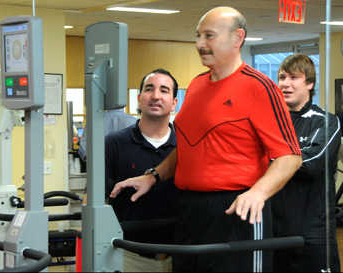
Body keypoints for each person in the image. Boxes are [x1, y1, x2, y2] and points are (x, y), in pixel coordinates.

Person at [110, 6, 303, 272]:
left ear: (237, 38)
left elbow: (290, 156)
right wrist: (152, 176)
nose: (200, 44)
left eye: (209, 36)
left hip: (236, 209)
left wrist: (258, 192)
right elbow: (190, 146)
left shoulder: (259, 87)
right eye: (198, 36)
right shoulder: (198, 84)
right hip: (190, 208)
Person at [85, 68, 179, 272]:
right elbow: (91, 200)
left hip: (180, 257)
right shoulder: (113, 144)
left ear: (174, 102)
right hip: (128, 255)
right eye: (149, 89)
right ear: (138, 99)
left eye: (164, 90)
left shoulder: (186, 145)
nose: (156, 96)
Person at [271, 53, 341, 272]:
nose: (285, 84)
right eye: (282, 77)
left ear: (310, 83)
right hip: (271, 235)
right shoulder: (269, 121)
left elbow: (311, 163)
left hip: (312, 236)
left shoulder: (326, 121)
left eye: (294, 78)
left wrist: (269, 157)